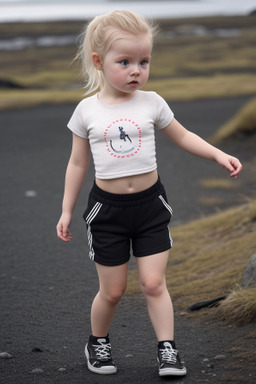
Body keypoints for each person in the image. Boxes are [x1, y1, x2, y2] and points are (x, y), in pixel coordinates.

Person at [56, 10, 242, 377]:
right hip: (106, 212)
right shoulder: (86, 111)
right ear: (99, 61)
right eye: (124, 62)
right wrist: (65, 211)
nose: (136, 70)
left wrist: (218, 153)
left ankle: (167, 349)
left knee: (155, 283)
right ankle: (98, 341)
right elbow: (77, 164)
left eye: (144, 61)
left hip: (150, 207)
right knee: (113, 291)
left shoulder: (152, 102)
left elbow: (184, 136)